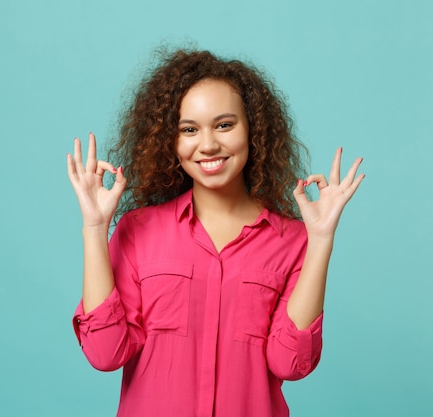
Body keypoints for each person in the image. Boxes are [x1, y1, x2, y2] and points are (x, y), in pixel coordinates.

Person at [66, 49, 364, 417]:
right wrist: (95, 228)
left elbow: (291, 363)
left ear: (252, 130)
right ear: (169, 141)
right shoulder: (137, 232)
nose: (207, 144)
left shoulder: (293, 241)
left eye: (224, 125)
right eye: (188, 129)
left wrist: (320, 240)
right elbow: (105, 353)